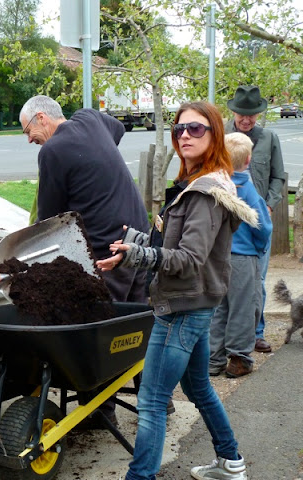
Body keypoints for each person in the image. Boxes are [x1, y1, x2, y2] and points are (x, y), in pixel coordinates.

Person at [97, 101, 257, 480]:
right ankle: (230, 462)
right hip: (195, 302)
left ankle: (141, 476)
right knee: (198, 387)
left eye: (195, 129)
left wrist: (137, 255)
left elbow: (189, 259)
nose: (185, 135)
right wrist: (136, 245)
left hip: (182, 308)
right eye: (179, 129)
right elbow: (175, 243)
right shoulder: (202, 183)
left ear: (214, 135)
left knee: (152, 399)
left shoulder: (204, 193)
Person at [19, 95, 151, 427]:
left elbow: (51, 219)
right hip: (139, 237)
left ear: (41, 118)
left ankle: (100, 413)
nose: (29, 139)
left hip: (107, 249)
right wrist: (98, 163)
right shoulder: (91, 119)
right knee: (135, 322)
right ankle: (155, 402)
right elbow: (118, 128)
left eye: (27, 130)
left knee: (98, 327)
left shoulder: (52, 151)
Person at [225, 85, 286, 353]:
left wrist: (269, 205)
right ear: (234, 112)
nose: (246, 119)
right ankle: (223, 339)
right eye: (242, 114)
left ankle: (256, 333)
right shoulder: (220, 136)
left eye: (251, 115)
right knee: (221, 280)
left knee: (256, 281)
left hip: (257, 223)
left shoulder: (269, 138)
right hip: (225, 221)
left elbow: (278, 176)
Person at [209, 133, 272, 378]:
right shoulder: (247, 190)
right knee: (244, 308)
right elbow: (262, 226)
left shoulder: (214, 186)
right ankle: (238, 358)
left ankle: (213, 359)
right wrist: (260, 247)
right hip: (243, 257)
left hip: (217, 257)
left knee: (218, 309)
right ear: (248, 160)